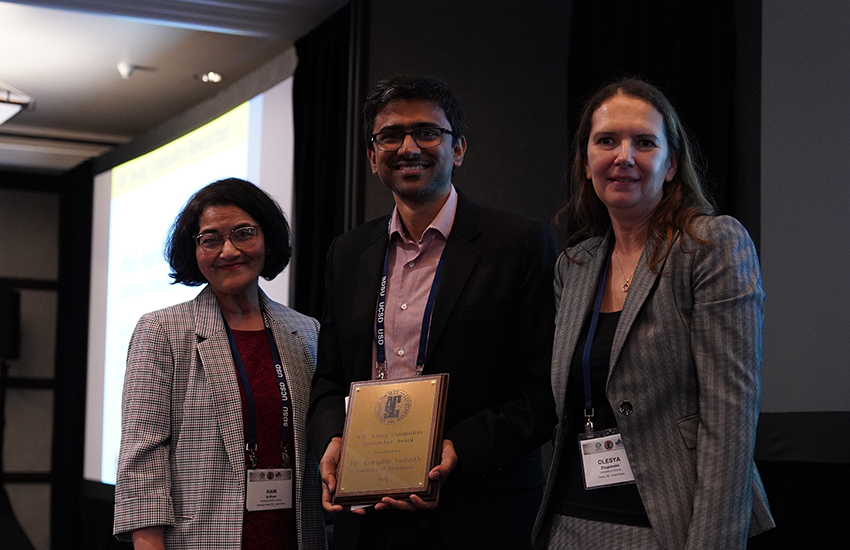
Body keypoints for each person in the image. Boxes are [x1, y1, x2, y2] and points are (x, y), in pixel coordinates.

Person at [307, 75, 558, 550]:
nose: (408, 147)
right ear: (371, 155)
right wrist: (334, 439)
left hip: (479, 511)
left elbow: (545, 388)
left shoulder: (519, 244)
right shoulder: (347, 253)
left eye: (427, 132)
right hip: (366, 517)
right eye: (390, 135)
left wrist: (458, 449)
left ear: (458, 148)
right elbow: (329, 380)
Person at [532, 78, 775, 549]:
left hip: (671, 526)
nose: (624, 156)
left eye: (644, 142)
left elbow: (730, 420)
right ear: (586, 163)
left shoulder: (710, 246)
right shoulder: (574, 266)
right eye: (606, 141)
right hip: (571, 522)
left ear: (671, 166)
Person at [113, 178, 327, 550]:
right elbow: (142, 460)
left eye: (244, 233)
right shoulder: (162, 331)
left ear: (267, 238)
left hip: (294, 536)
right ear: (193, 251)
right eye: (211, 239)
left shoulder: (306, 331)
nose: (229, 251)